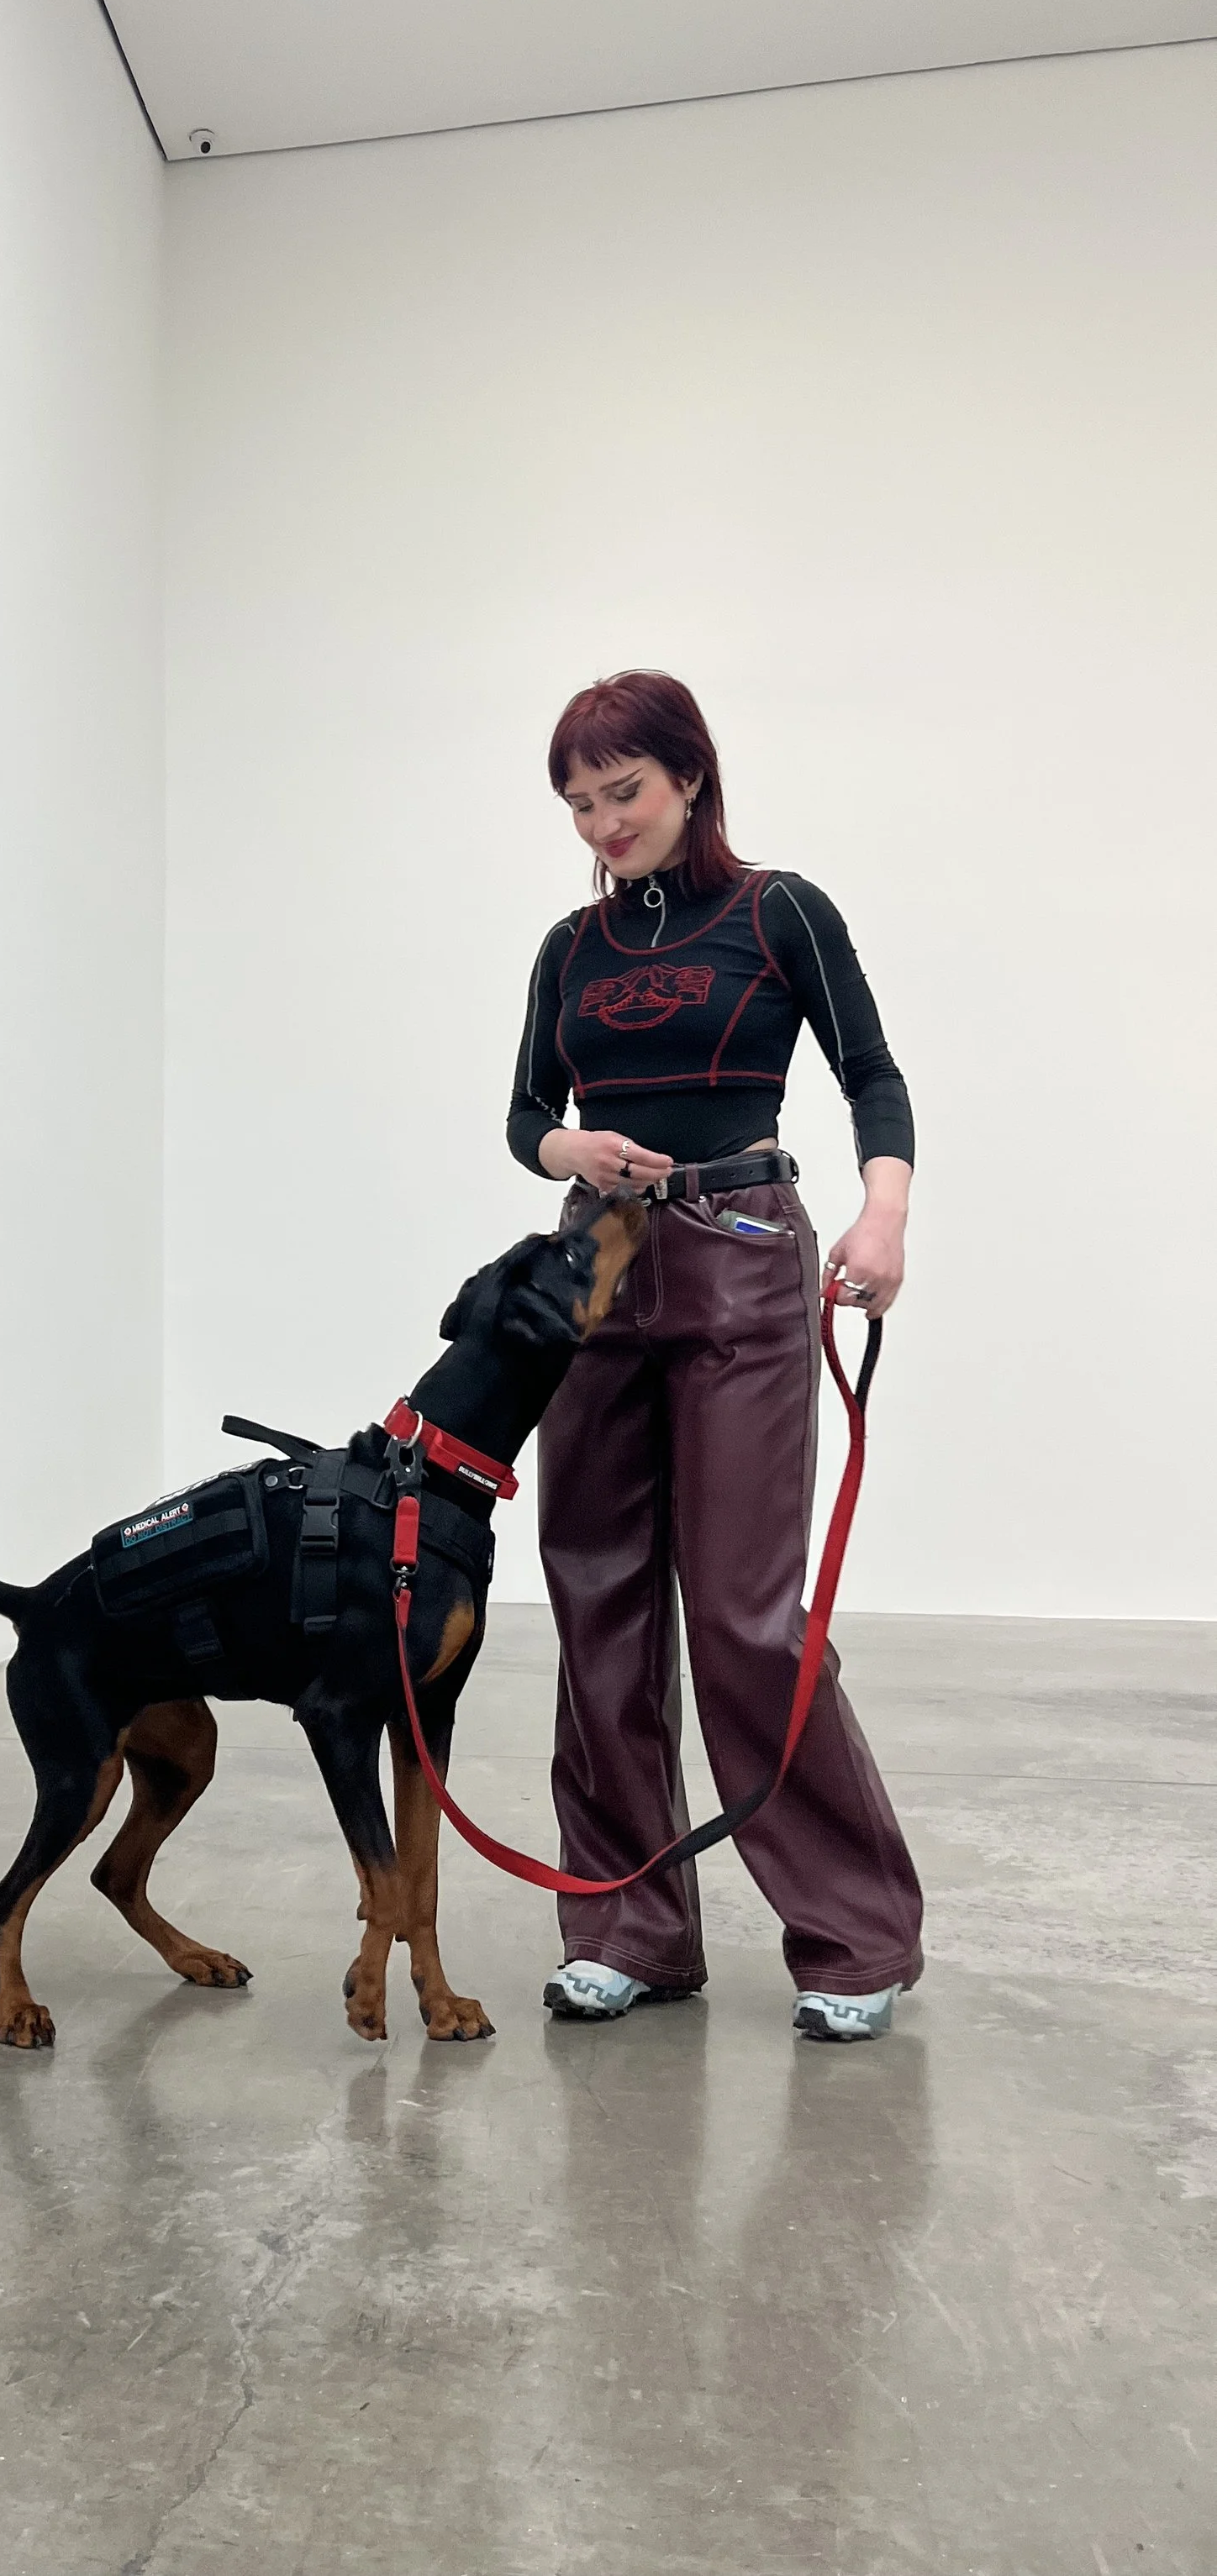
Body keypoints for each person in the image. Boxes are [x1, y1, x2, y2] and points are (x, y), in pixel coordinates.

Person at [506, 670, 923, 2042]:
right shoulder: (567, 949)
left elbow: (873, 1070)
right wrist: (571, 1148)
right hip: (600, 1257)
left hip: (744, 1235)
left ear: (691, 777)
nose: (601, 824)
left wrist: (884, 1211)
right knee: (598, 1598)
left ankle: (855, 1935)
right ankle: (628, 1925)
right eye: (578, 802)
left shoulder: (779, 910)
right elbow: (527, 1118)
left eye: (622, 792)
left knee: (744, 1610)